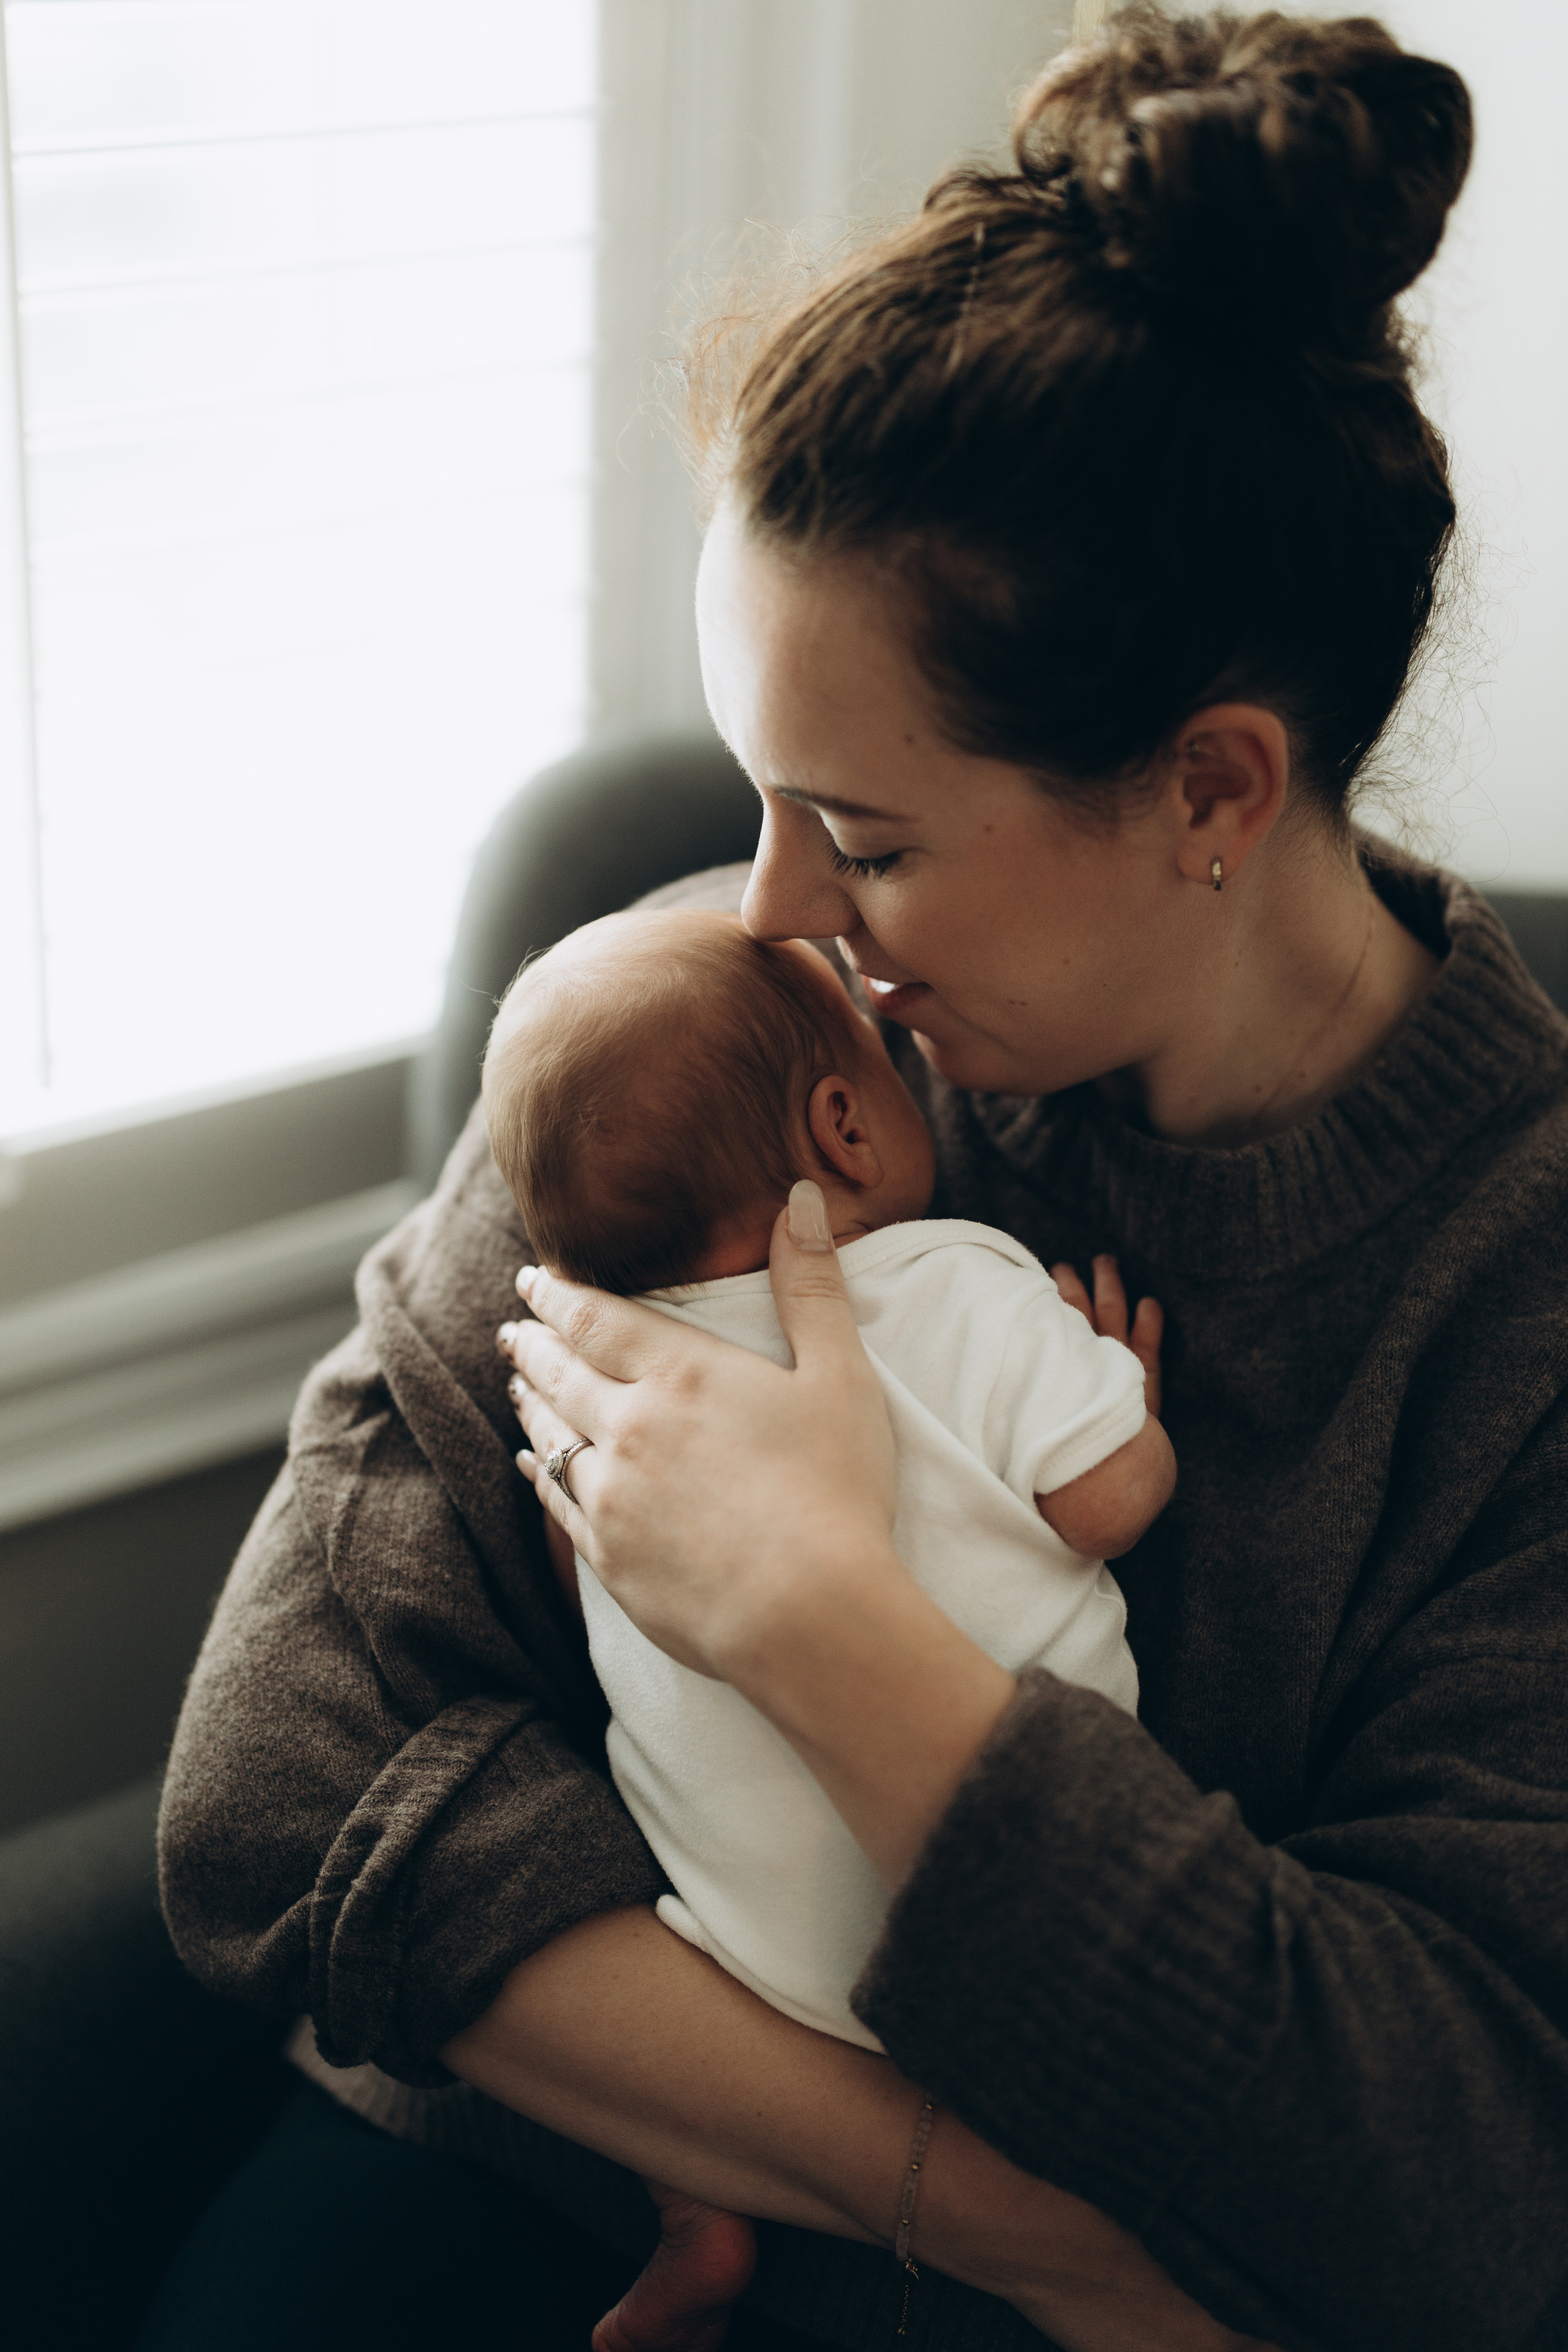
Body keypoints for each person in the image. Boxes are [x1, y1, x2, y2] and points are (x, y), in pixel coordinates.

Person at [152, 9, 1568, 2351]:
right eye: (763, 796)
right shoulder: (737, 1041)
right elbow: (272, 1785)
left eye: (874, 838)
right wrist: (1027, 2220)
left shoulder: (1513, 1302)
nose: (769, 911)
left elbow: (1466, 2178)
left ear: (1216, 792)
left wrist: (827, 1625)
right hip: (523, 2194)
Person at [481, 904, 1174, 2346]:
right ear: (847, 1128)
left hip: (733, 1974)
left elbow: (588, 1580)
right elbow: (1106, 1503)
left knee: (686, 1980)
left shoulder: (599, 1392)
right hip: (1003, 1910)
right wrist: (1115, 1382)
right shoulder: (952, 1282)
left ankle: (697, 2213)